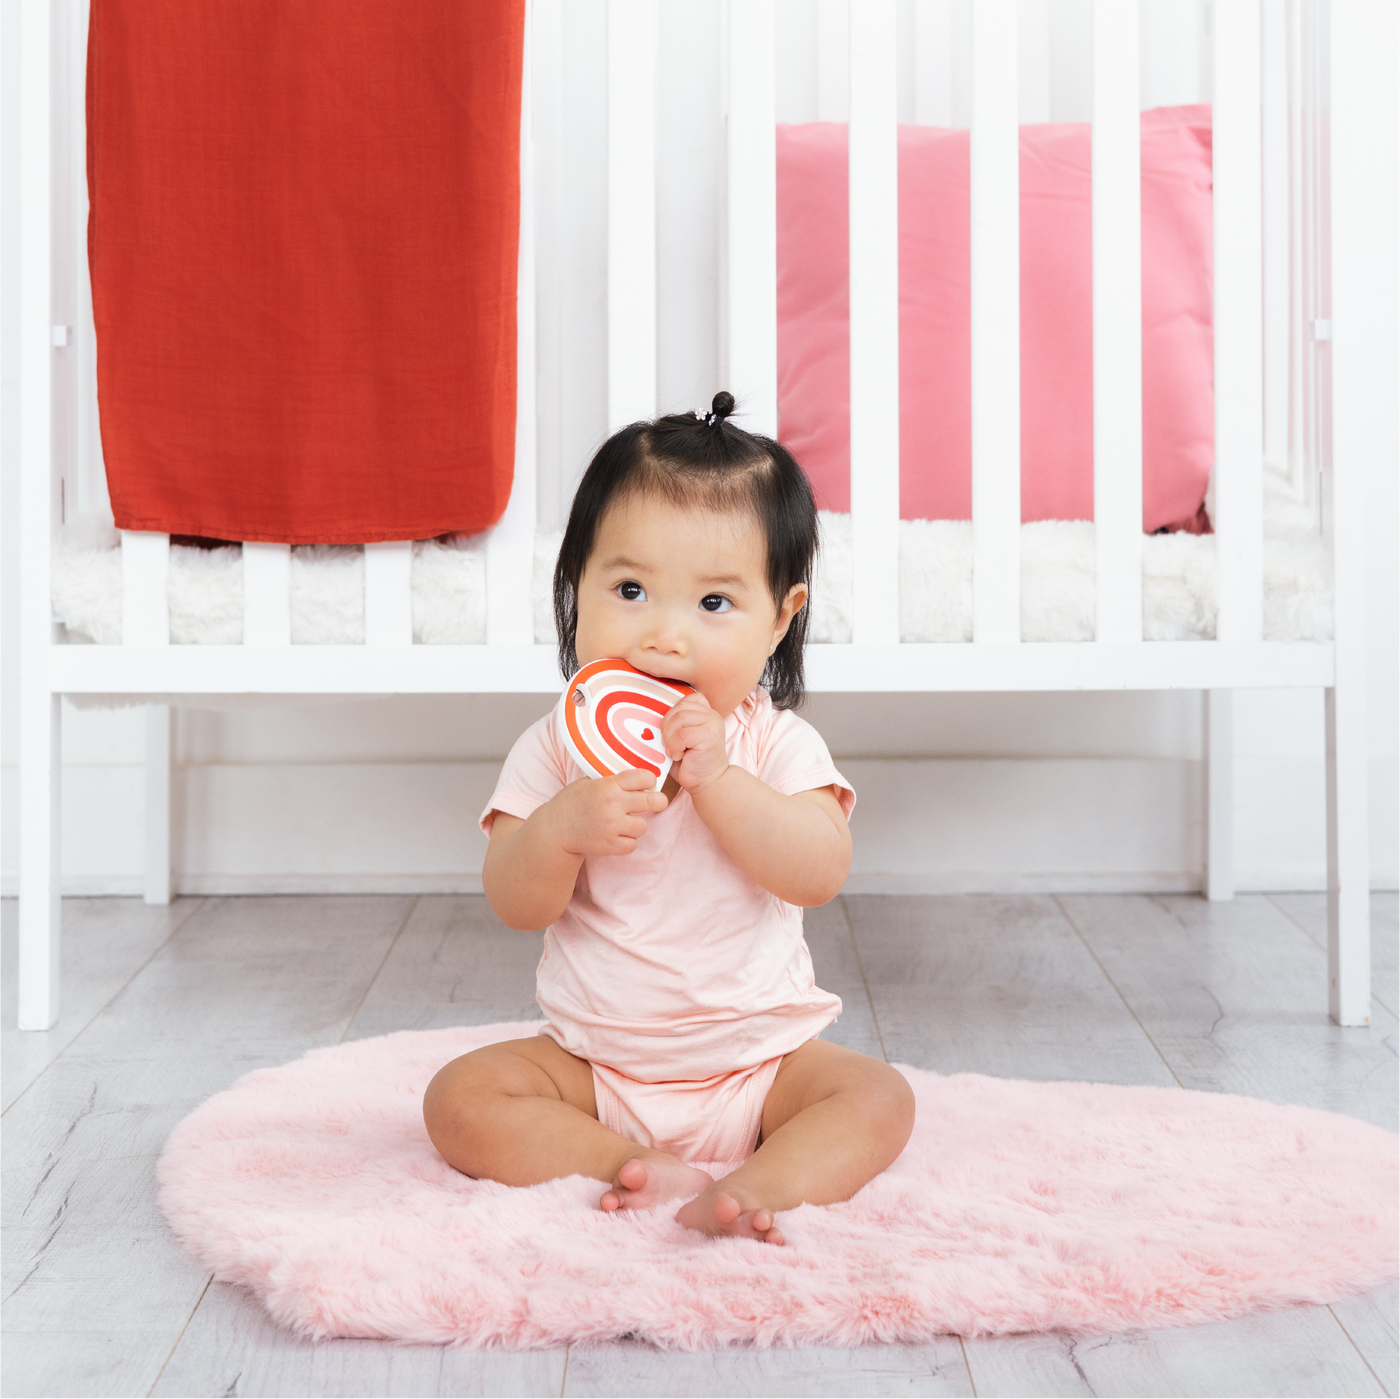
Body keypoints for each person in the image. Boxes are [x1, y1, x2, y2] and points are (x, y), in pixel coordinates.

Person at [423, 392, 915, 1244]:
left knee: (879, 1099)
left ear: (780, 619)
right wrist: (560, 829)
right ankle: (623, 1162)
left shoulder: (776, 744)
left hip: (761, 1066)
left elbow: (820, 869)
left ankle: (766, 1180)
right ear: (577, 585)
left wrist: (722, 782)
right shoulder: (558, 748)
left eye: (713, 604)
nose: (663, 635)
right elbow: (514, 899)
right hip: (595, 1064)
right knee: (457, 1099)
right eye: (629, 588)